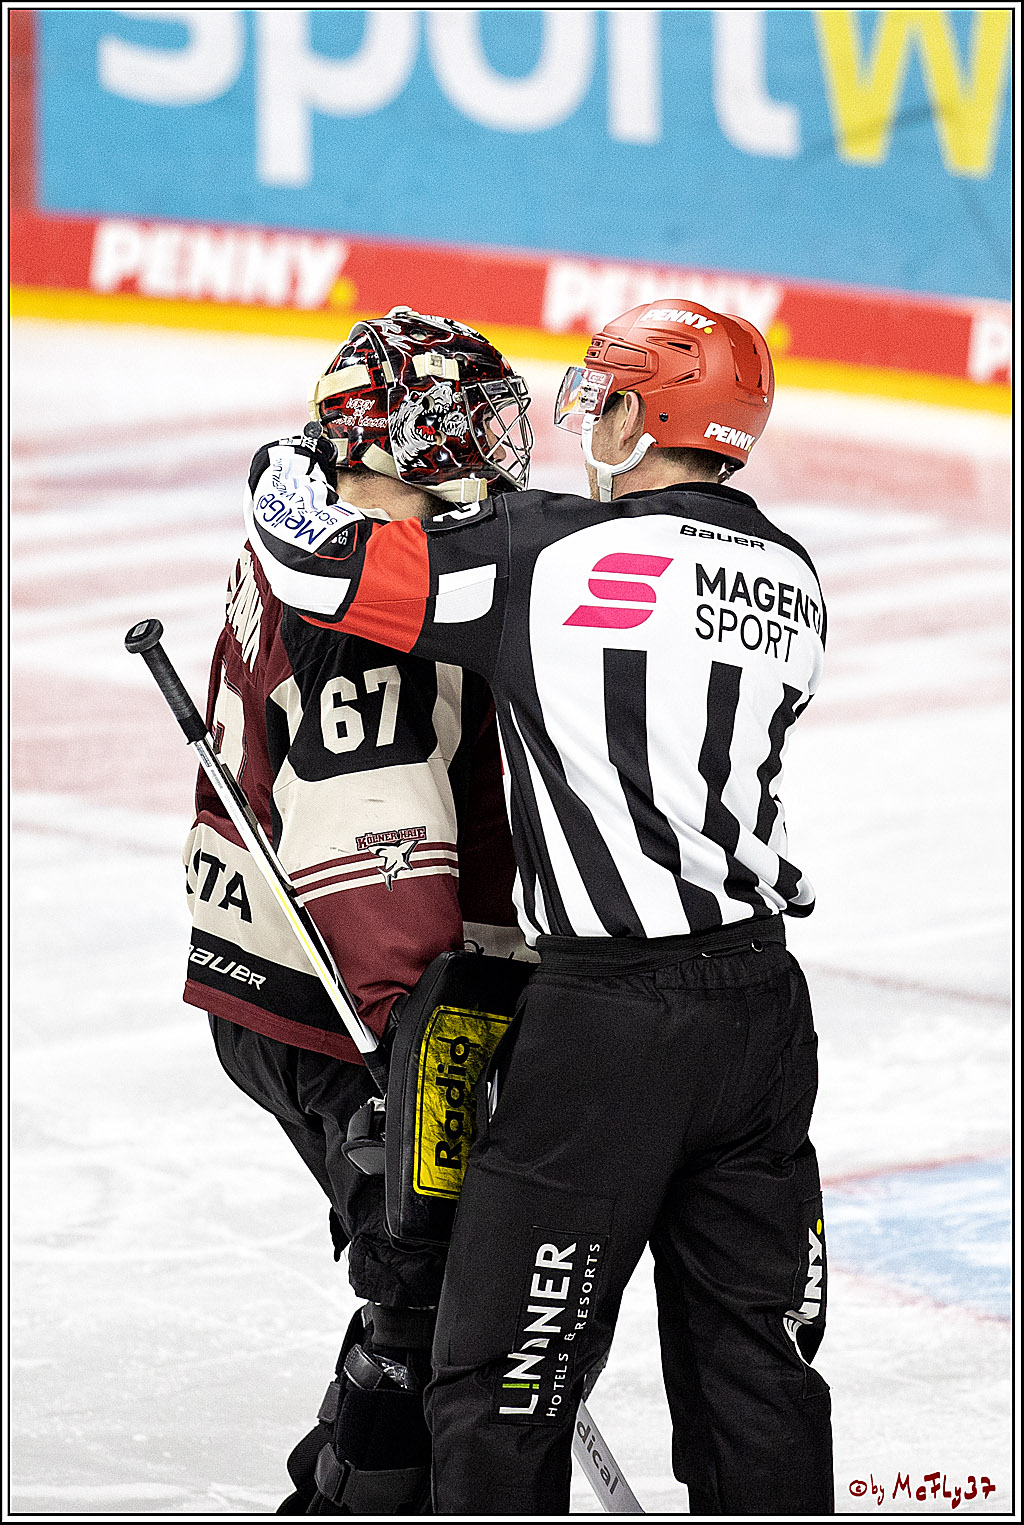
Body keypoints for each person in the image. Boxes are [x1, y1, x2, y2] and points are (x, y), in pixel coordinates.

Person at [244, 300, 833, 1515]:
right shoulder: (792, 578)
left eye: (600, 399)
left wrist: (298, 450)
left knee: (501, 1385)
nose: (582, 425)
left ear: (633, 413)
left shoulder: (540, 552)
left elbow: (313, 561)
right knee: (754, 1372)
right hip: (765, 1017)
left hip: (609, 1031)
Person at [182, 307, 534, 1513]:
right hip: (348, 997)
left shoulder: (326, 521)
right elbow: (374, 840)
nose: (483, 453)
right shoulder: (375, 604)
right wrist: (409, 1061)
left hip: (267, 963)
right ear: (374, 440)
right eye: (447, 429)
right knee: (433, 1275)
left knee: (434, 1279)